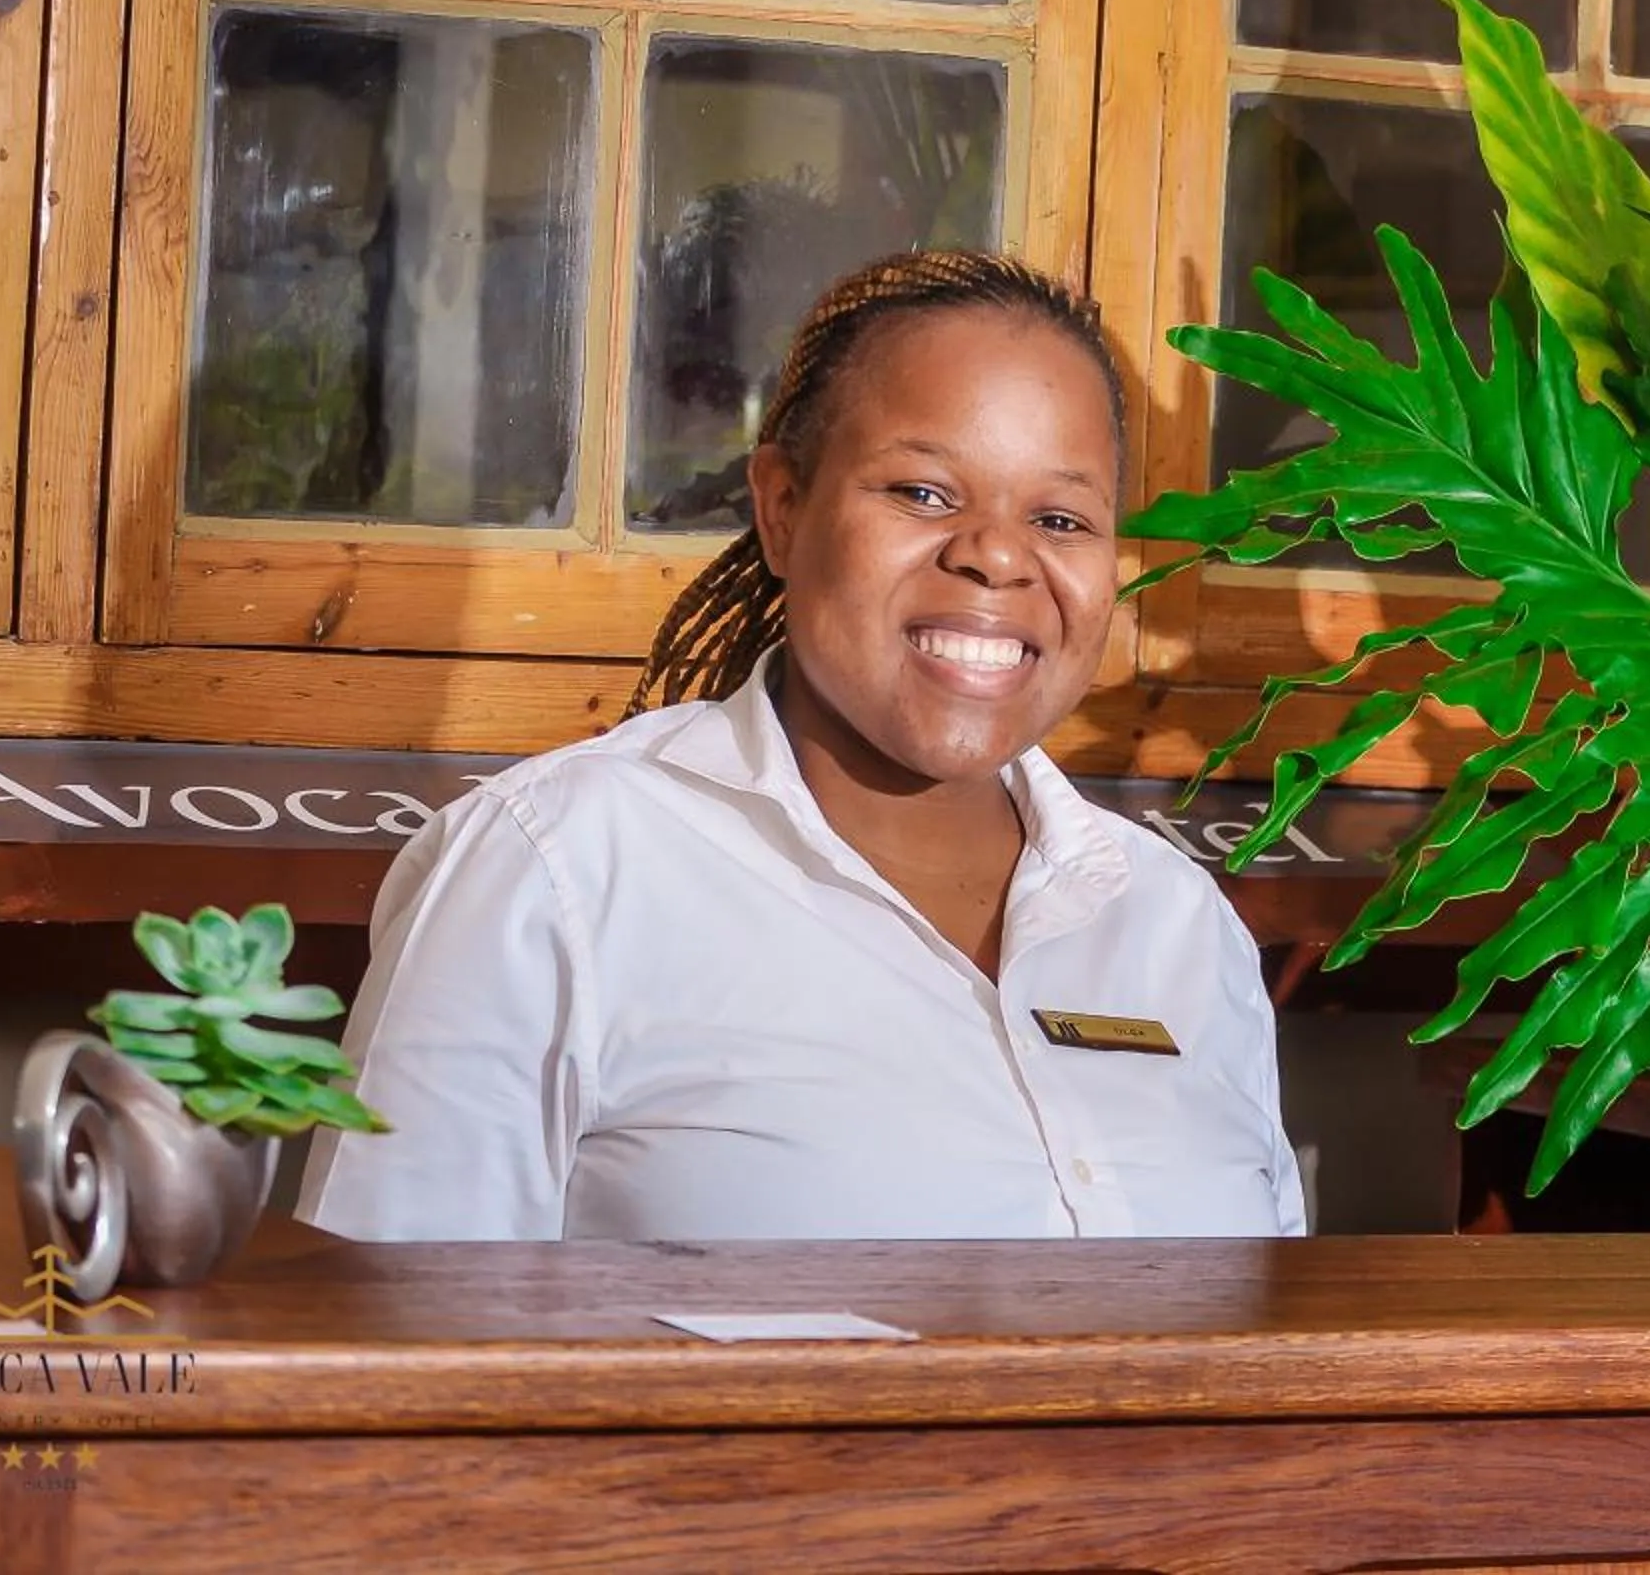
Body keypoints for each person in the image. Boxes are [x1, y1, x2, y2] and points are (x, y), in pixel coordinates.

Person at [297, 252, 1306, 1242]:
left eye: (1060, 516)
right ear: (782, 510)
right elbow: (386, 1351)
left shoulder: (1177, 928)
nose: (998, 555)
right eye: (922, 492)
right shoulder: (554, 872)